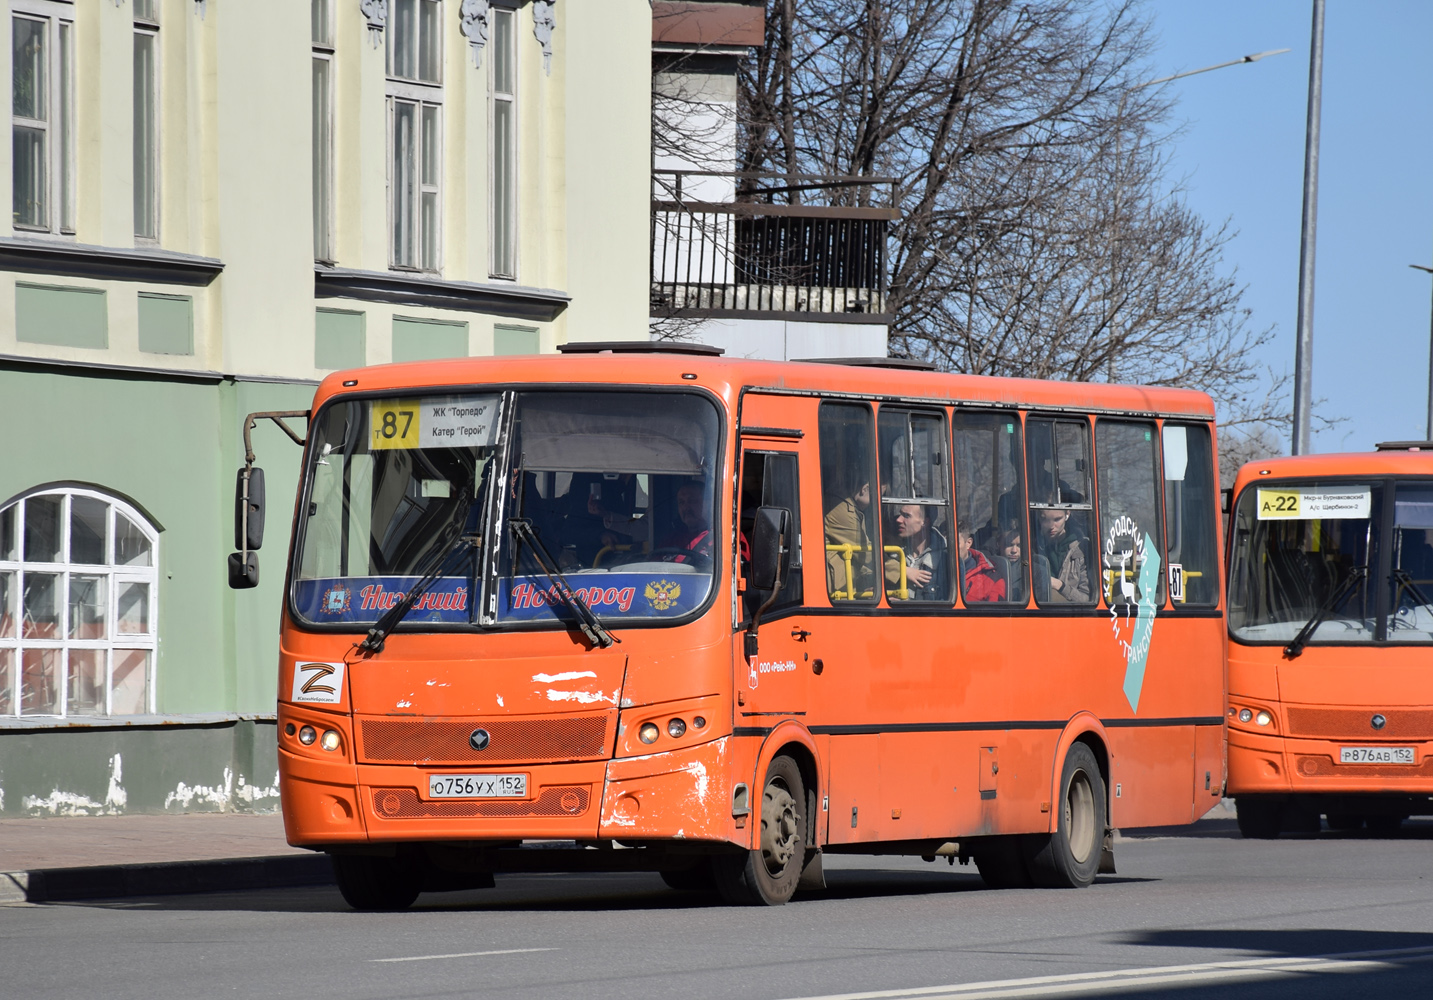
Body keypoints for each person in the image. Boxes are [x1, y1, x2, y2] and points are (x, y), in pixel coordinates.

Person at [885, 503, 949, 601]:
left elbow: (947, 608)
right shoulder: (890, 552)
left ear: (925, 522)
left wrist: (903, 605)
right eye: (900, 514)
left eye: (906, 516)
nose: (899, 520)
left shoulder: (946, 560)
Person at [825, 481, 874, 598]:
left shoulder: (849, 507)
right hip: (834, 589)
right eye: (878, 496)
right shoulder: (841, 509)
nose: (877, 502)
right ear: (865, 488)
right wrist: (902, 571)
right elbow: (865, 554)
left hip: (840, 584)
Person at [1035, 505, 1091, 603]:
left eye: (1057, 519)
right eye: (1045, 520)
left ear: (1067, 514)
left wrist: (1060, 585)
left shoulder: (1081, 549)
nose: (1051, 526)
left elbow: (1086, 599)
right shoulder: (1033, 548)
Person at [659, 480, 713, 562]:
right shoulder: (672, 539)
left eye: (692, 501)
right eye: (681, 502)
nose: (686, 507)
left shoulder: (722, 538)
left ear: (708, 504)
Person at [957, 519, 1006, 602]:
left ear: (968, 543)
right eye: (946, 544)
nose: (949, 549)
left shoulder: (991, 579)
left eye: (955, 543)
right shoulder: (936, 571)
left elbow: (994, 613)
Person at [998, 523, 1025, 600]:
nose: (1014, 551)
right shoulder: (988, 568)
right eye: (1009, 545)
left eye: (1019, 546)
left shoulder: (1034, 570)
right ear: (998, 544)